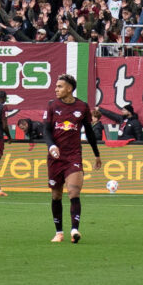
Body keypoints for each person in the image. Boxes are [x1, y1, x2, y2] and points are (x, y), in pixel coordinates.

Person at [42, 74, 100, 243]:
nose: (56, 89)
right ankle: (59, 232)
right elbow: (46, 130)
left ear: (69, 88)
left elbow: (89, 132)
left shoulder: (82, 107)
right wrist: (51, 146)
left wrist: (96, 154)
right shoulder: (52, 105)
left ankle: (74, 230)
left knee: (74, 192)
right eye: (56, 86)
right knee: (56, 195)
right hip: (55, 157)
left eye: (59, 86)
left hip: (73, 156)